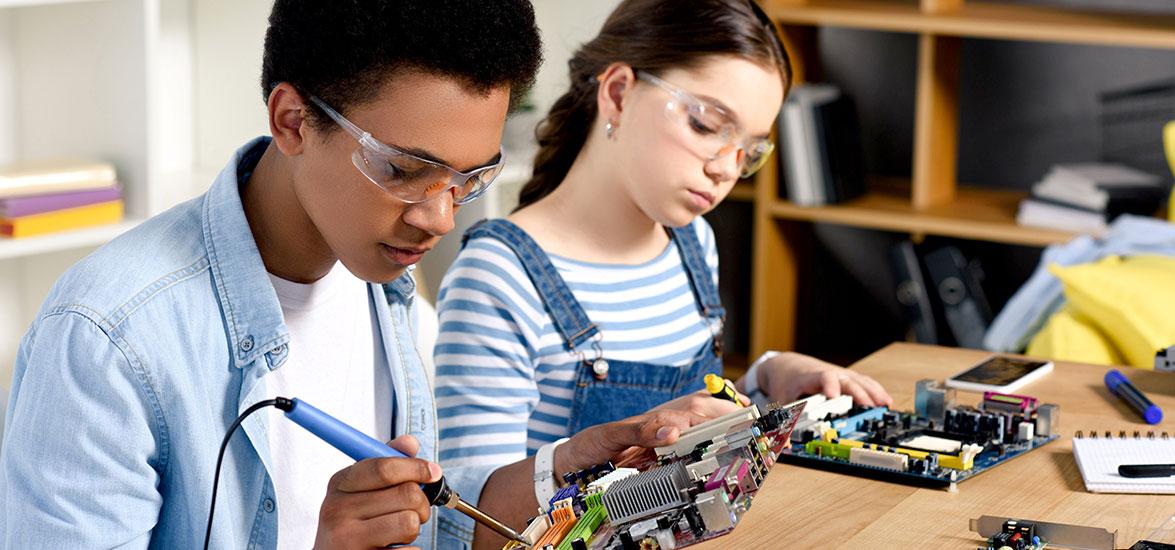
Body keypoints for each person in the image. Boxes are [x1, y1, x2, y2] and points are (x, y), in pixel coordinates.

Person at [0, 2, 704, 548]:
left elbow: (434, 520)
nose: (438, 219)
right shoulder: (107, 337)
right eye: (402, 171)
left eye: (469, 178)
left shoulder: (385, 280)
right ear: (293, 120)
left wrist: (571, 470)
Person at [434, 0, 894, 546]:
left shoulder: (692, 242)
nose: (725, 168)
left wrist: (767, 380)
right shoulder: (501, 274)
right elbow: (467, 523)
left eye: (750, 151)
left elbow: (686, 435)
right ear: (619, 93)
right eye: (707, 124)